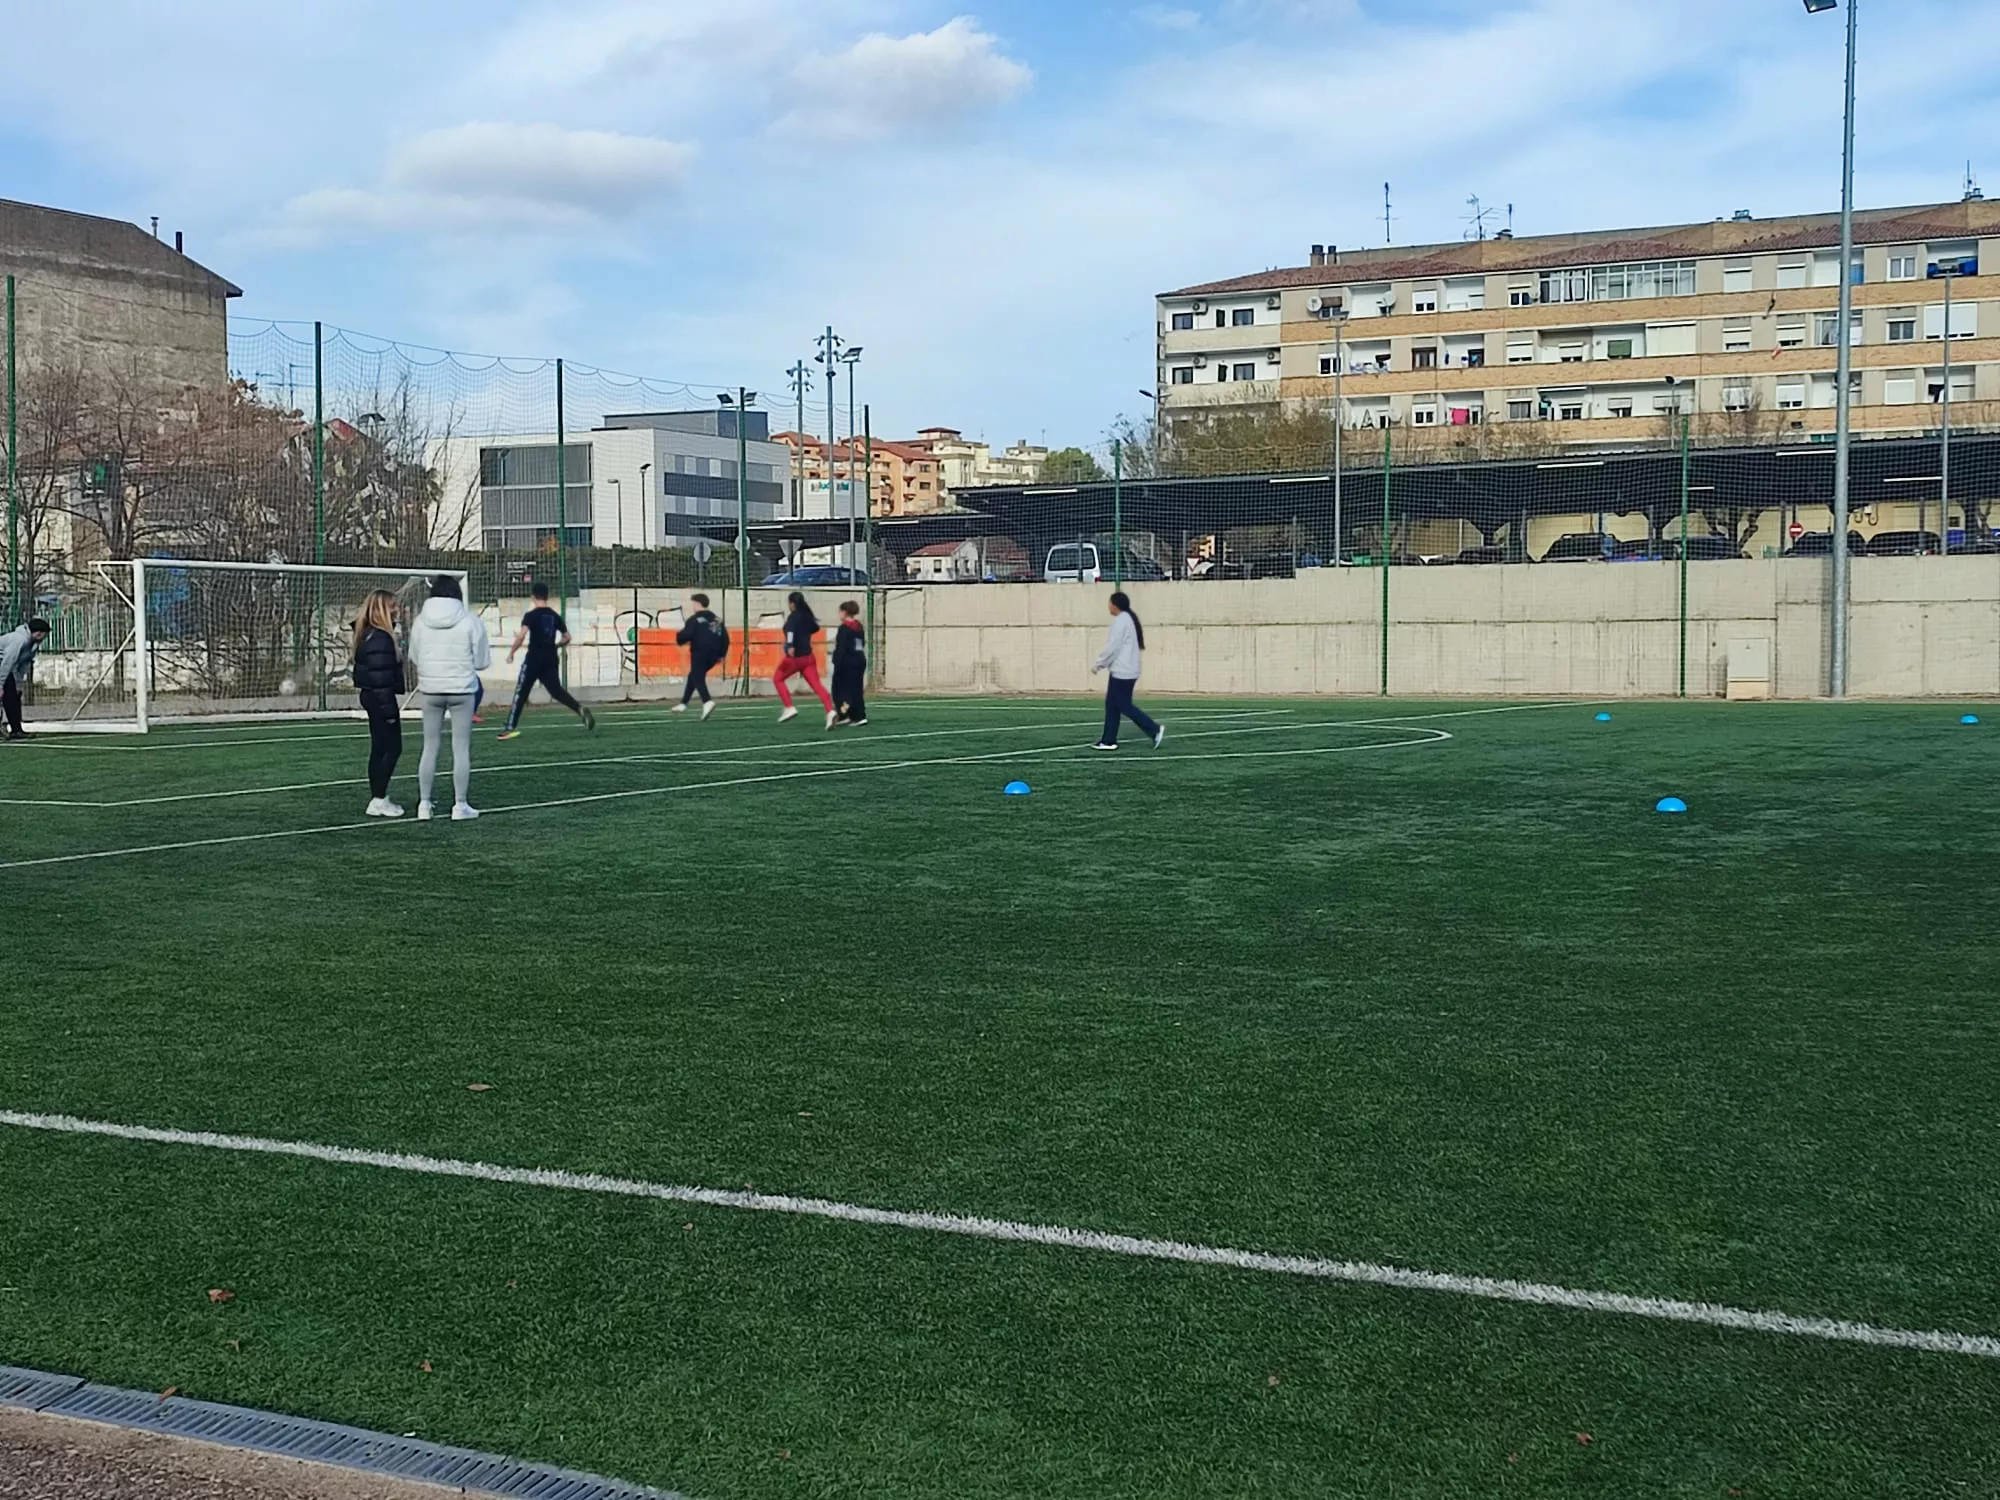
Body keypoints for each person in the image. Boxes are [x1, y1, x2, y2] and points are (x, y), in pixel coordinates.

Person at [406, 575, 492, 821]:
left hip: (430, 688)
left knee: (430, 746)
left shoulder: (420, 621)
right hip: (462, 689)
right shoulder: (470, 620)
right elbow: (482, 661)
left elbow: (414, 656)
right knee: (461, 747)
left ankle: (424, 804)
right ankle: (460, 804)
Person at [497, 581, 594, 741]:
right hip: (550, 657)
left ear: (533, 597)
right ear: (547, 596)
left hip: (534, 658)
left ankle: (510, 727)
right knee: (556, 690)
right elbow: (567, 637)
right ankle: (579, 709)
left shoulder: (531, 616)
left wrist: (512, 652)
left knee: (521, 692)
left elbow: (521, 636)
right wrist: (556, 645)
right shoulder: (555, 615)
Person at [351, 591, 406, 817]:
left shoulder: (368, 634)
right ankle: (378, 798)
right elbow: (380, 676)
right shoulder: (380, 637)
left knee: (380, 748)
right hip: (378, 696)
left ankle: (378, 796)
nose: (396, 610)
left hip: (372, 695)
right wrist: (389, 710)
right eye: (392, 606)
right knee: (391, 748)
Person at [1091, 591, 1164, 752]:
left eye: (1110, 603)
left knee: (1123, 705)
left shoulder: (1121, 621)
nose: (1108, 606)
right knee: (1112, 705)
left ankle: (1154, 729)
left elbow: (1113, 647)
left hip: (1123, 671)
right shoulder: (1127, 619)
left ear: (1115, 605)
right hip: (1125, 670)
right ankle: (1108, 740)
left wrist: (1099, 664)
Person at [773, 591, 836, 729]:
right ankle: (830, 710)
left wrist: (790, 645)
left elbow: (790, 631)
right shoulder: (807, 616)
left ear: (792, 603)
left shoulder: (793, 617)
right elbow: (815, 628)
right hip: (808, 657)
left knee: (777, 678)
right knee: (817, 685)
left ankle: (789, 706)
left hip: (795, 657)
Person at [673, 592, 728, 720]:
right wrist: (722, 654)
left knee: (697, 676)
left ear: (697, 604)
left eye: (693, 603)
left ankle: (707, 701)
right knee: (694, 675)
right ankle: (683, 703)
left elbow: (686, 635)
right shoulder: (717, 619)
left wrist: (679, 637)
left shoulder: (694, 619)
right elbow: (725, 638)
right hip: (714, 654)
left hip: (700, 652)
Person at [0, 617, 51, 741]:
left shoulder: (32, 645)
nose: (45, 638)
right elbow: (8, 662)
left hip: (5, 667)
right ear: (38, 633)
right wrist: (0, 685)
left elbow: (22, 665)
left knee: (13, 696)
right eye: (45, 635)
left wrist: (18, 684)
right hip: (3, 664)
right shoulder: (19, 640)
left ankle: (16, 730)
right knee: (7, 692)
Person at [831, 599, 867, 727]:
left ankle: (856, 716)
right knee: (856, 689)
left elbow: (841, 648)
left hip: (847, 662)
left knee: (839, 690)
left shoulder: (844, 628)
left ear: (844, 612)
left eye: (840, 611)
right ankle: (847, 714)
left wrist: (836, 661)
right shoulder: (859, 627)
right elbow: (862, 643)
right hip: (859, 660)